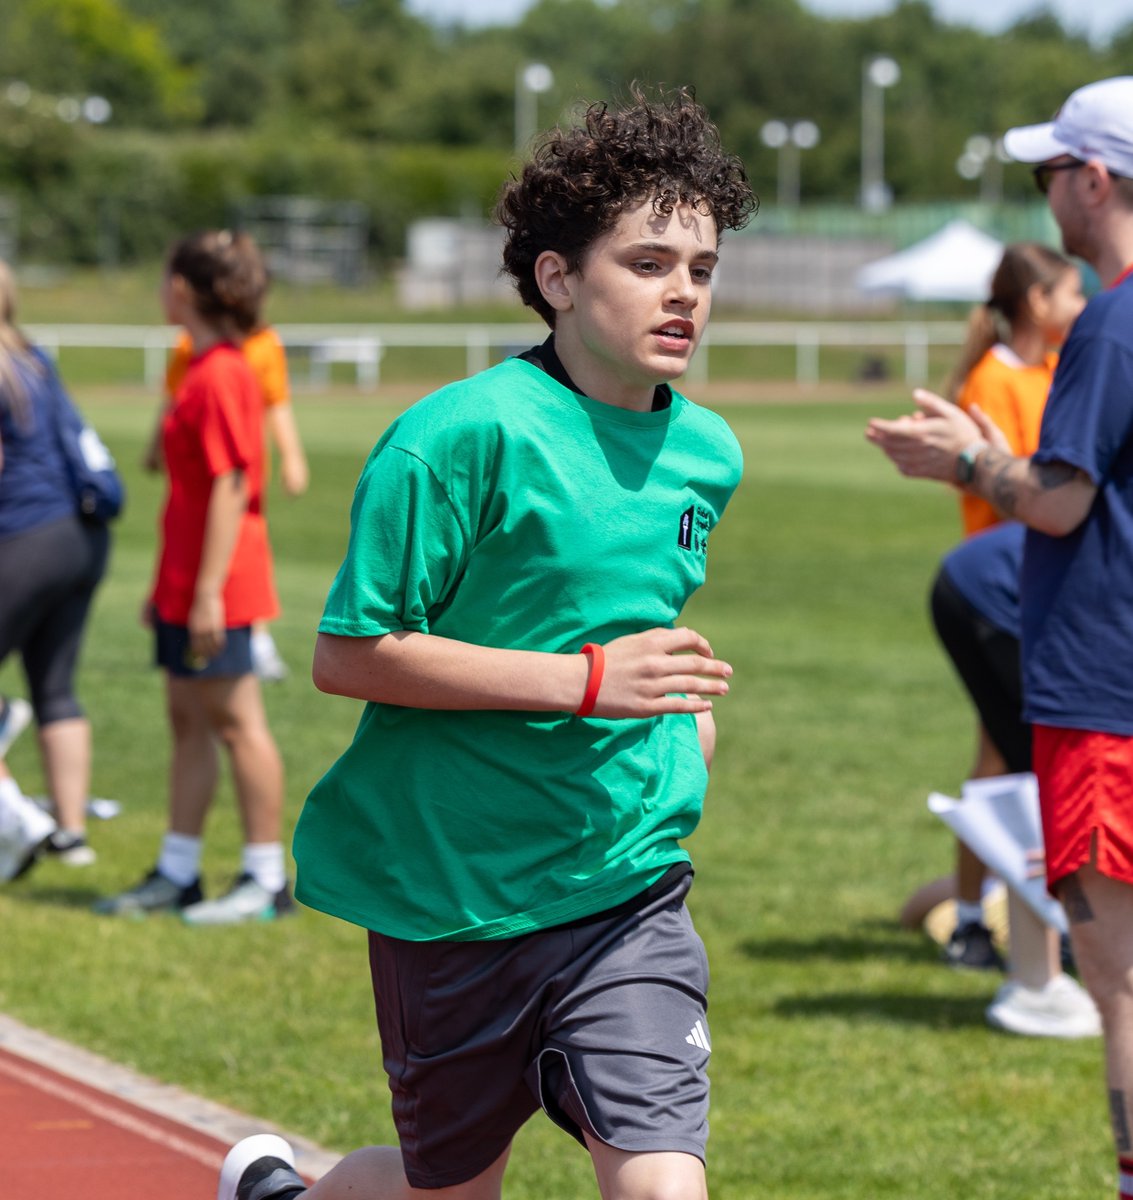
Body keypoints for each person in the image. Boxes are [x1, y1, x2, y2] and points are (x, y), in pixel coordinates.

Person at [216, 85, 756, 1200]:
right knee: (446, 1192)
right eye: (648, 263)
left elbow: (633, 609)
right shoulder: (457, 437)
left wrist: (678, 709)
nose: (683, 294)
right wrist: (587, 682)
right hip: (455, 893)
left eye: (700, 269)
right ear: (557, 278)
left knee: (662, 1183)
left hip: (625, 881)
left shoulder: (708, 452)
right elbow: (350, 654)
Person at [866, 75, 1133, 1197]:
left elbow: (1061, 501)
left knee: (1118, 981)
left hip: (1106, 693)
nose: (1045, 203)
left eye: (1046, 176)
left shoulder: (1110, 318)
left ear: (1092, 177)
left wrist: (969, 462)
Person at [95, 229, 292, 926]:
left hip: (222, 581)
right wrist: (168, 588)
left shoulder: (225, 374)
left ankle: (266, 880)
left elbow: (232, 485)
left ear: (182, 288)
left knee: (237, 723)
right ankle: (178, 872)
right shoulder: (199, 366)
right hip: (188, 578)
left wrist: (207, 589)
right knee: (187, 720)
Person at [932, 244, 1085, 971]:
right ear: (1035, 303)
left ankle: (1028, 918)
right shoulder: (994, 381)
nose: (1080, 309)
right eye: (1069, 296)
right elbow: (1020, 483)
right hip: (1004, 592)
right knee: (1000, 758)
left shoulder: (1058, 371)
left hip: (1050, 592)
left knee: (1009, 755)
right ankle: (972, 921)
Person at [0, 260, 114, 877]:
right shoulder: (32, 357)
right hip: (82, 537)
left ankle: (22, 824)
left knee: (38, 693)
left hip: (25, 538)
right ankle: (71, 834)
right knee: (55, 687)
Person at [144, 312, 308, 683]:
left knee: (242, 544)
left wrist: (292, 454)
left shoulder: (256, 348)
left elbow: (276, 400)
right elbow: (174, 398)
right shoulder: (191, 347)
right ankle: (242, 634)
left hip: (239, 461)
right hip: (207, 468)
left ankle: (257, 639)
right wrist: (155, 444)